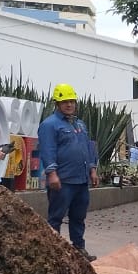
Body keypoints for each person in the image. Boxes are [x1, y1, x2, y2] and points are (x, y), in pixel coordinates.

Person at [38, 83, 100, 260]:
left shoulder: (79, 124)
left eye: (72, 101)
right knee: (55, 217)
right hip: (62, 181)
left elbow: (88, 148)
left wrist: (92, 170)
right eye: (65, 101)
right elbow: (47, 150)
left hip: (81, 180)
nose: (69, 105)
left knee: (78, 217)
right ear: (57, 103)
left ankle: (79, 249)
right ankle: (53, 254)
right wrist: (52, 174)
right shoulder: (50, 125)